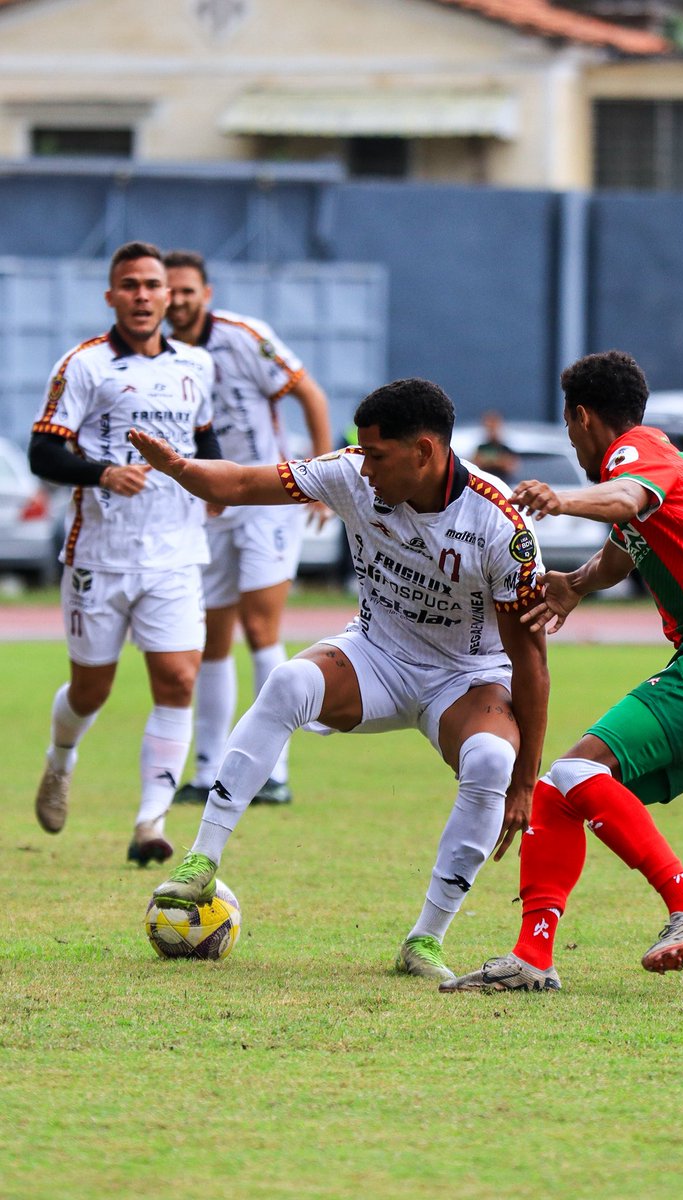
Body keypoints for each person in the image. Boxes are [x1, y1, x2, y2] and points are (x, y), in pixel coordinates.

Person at [128, 378, 549, 981]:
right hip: (375, 654)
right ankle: (201, 861)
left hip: (467, 678)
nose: (366, 467)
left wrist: (526, 781)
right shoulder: (350, 473)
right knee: (289, 683)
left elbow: (530, 662)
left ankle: (424, 941)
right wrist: (179, 468)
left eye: (378, 455)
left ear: (424, 452)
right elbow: (245, 483)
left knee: (488, 762)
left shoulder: (498, 524)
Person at [440, 349, 683, 994]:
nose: (571, 439)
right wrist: (574, 584)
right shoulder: (657, 469)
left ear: (580, 417)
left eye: (569, 426)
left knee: (576, 769)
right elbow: (625, 545)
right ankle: (532, 956)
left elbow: (627, 496)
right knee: (558, 793)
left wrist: (565, 500)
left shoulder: (636, 453)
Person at [28, 241, 219, 864]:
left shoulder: (196, 366)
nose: (141, 295)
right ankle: (61, 760)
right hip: (100, 555)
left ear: (168, 297)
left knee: (178, 679)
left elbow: (206, 440)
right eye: (129, 285)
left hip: (176, 554)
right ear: (112, 296)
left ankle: (149, 824)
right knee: (91, 690)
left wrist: (215, 487)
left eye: (151, 285)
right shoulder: (83, 365)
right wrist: (104, 473)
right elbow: (43, 452)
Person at [162, 250, 333, 808]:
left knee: (261, 628)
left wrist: (321, 475)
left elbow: (310, 392)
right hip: (208, 506)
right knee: (211, 637)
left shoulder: (243, 336)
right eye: (171, 291)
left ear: (205, 294)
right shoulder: (159, 355)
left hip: (266, 499)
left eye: (189, 290)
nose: (179, 300)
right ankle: (209, 768)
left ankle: (273, 772)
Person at [472, 410, 519, 481]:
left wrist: (488, 462)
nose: (492, 430)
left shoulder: (506, 449)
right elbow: (476, 464)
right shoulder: (481, 448)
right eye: (489, 427)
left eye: (494, 426)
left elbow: (510, 466)